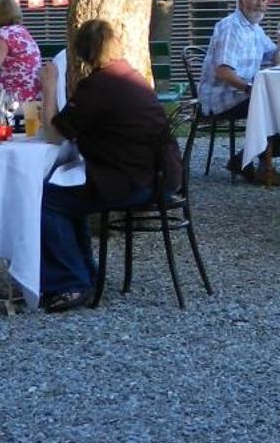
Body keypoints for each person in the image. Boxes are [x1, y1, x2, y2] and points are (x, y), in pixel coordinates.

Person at [34, 19, 180, 313]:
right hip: (160, 175)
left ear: (82, 53)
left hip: (132, 181)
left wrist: (49, 87)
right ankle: (84, 271)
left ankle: (70, 281)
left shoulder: (99, 85)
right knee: (65, 189)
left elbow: (53, 134)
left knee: (46, 198)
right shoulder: (132, 76)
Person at [197, 0, 280, 181]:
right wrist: (250, 89)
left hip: (239, 93)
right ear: (241, 2)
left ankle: (243, 161)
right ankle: (264, 169)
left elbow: (275, 59)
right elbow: (223, 72)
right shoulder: (232, 28)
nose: (259, 3)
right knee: (270, 104)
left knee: (275, 101)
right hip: (221, 97)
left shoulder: (254, 28)